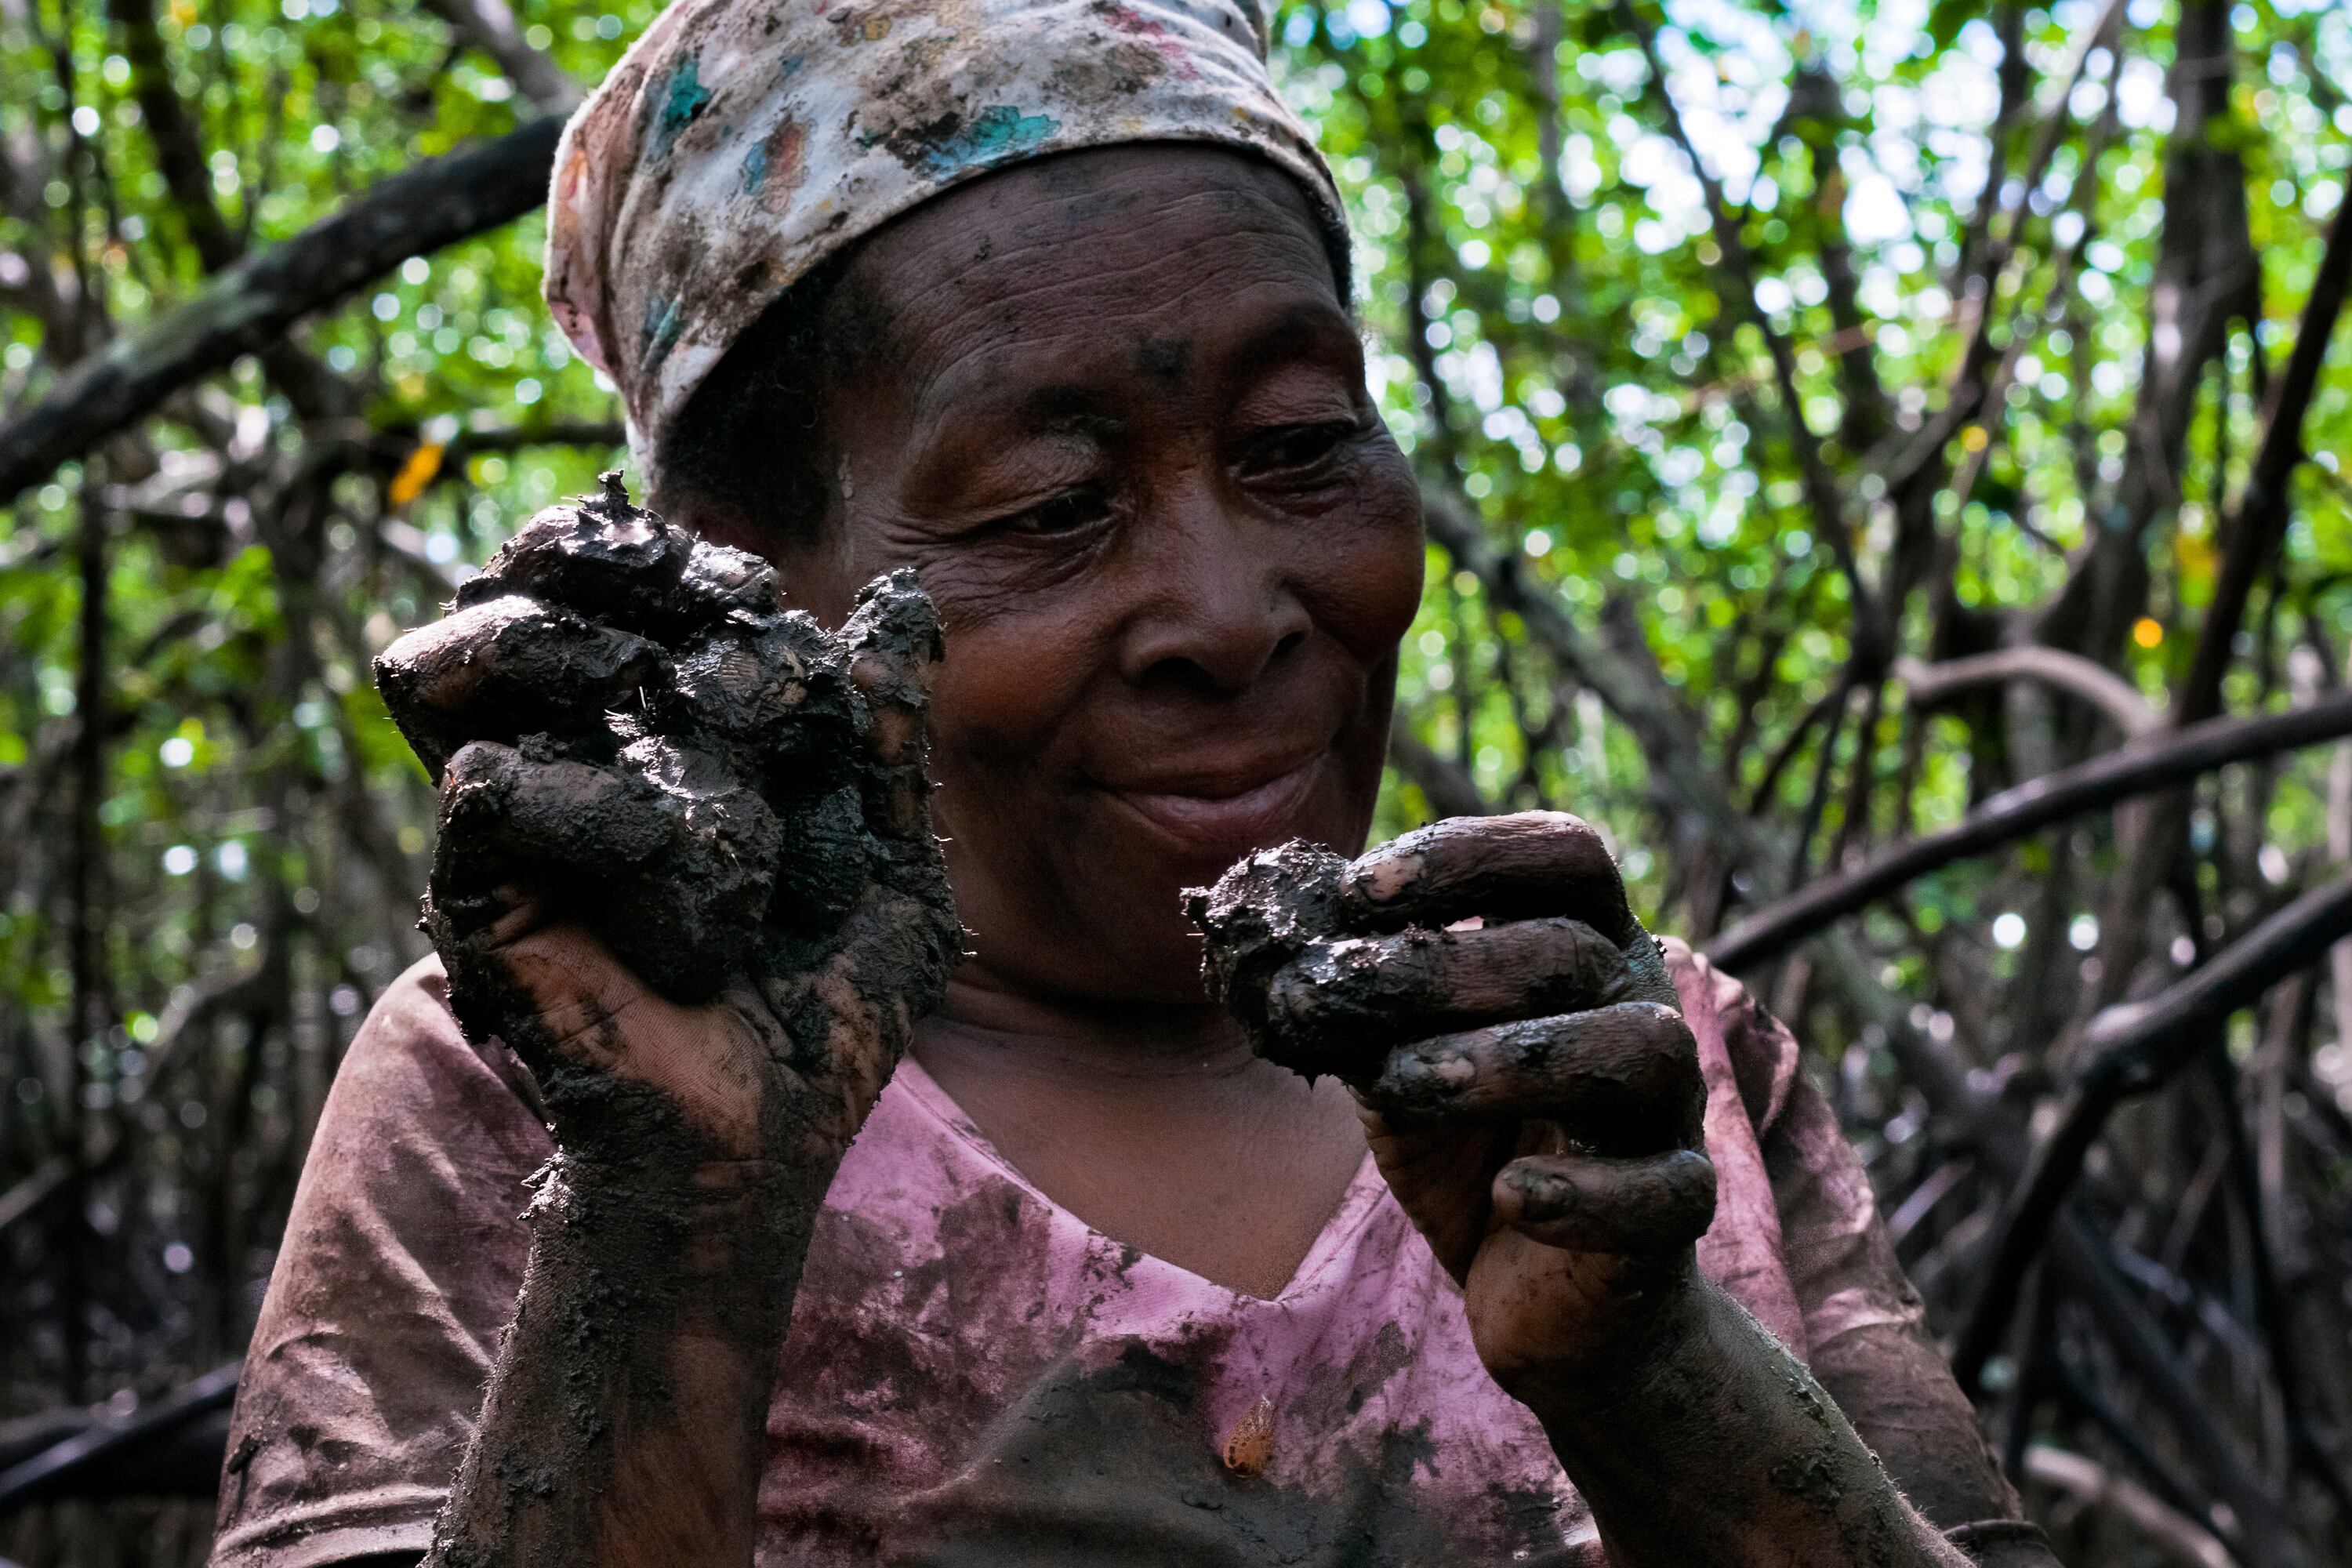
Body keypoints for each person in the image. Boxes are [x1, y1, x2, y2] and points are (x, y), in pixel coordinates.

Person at [209, 2, 2058, 1564]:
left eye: (1300, 446)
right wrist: (681, 1214)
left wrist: (1654, 1369)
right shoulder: (539, 1089)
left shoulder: (1649, 1074)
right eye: (1046, 507)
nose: (1230, 613)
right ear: (745, 581)